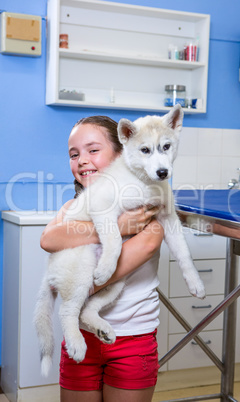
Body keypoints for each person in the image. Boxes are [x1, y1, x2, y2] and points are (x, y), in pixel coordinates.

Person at [40, 115, 164, 402]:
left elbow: (106, 275)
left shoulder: (149, 215)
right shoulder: (72, 206)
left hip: (133, 341)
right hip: (81, 337)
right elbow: (48, 239)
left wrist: (69, 292)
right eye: (74, 154)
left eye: (93, 150)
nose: (82, 160)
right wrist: (116, 228)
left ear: (123, 154)